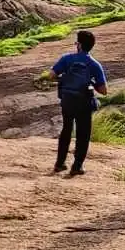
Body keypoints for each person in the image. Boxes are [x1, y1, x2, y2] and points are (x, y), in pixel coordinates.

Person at [51, 29, 108, 176]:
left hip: (67, 100)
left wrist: (65, 78)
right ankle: (77, 166)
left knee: (66, 129)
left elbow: (52, 75)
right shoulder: (94, 64)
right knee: (83, 134)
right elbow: (104, 91)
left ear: (80, 45)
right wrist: (92, 83)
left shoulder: (67, 59)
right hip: (84, 102)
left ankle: (59, 164)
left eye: (77, 42)